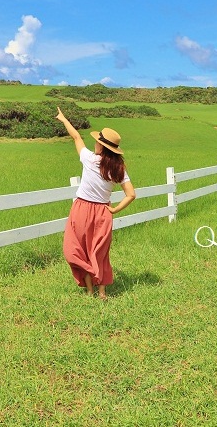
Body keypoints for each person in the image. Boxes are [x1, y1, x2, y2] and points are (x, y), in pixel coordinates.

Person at [55, 107, 135, 299]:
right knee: (98, 252)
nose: (95, 144)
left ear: (101, 146)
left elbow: (76, 138)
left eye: (97, 142)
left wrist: (63, 119)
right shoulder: (118, 168)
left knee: (77, 249)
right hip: (103, 212)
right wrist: (114, 209)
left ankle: (90, 290)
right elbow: (131, 194)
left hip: (82, 209)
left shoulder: (89, 159)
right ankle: (102, 292)